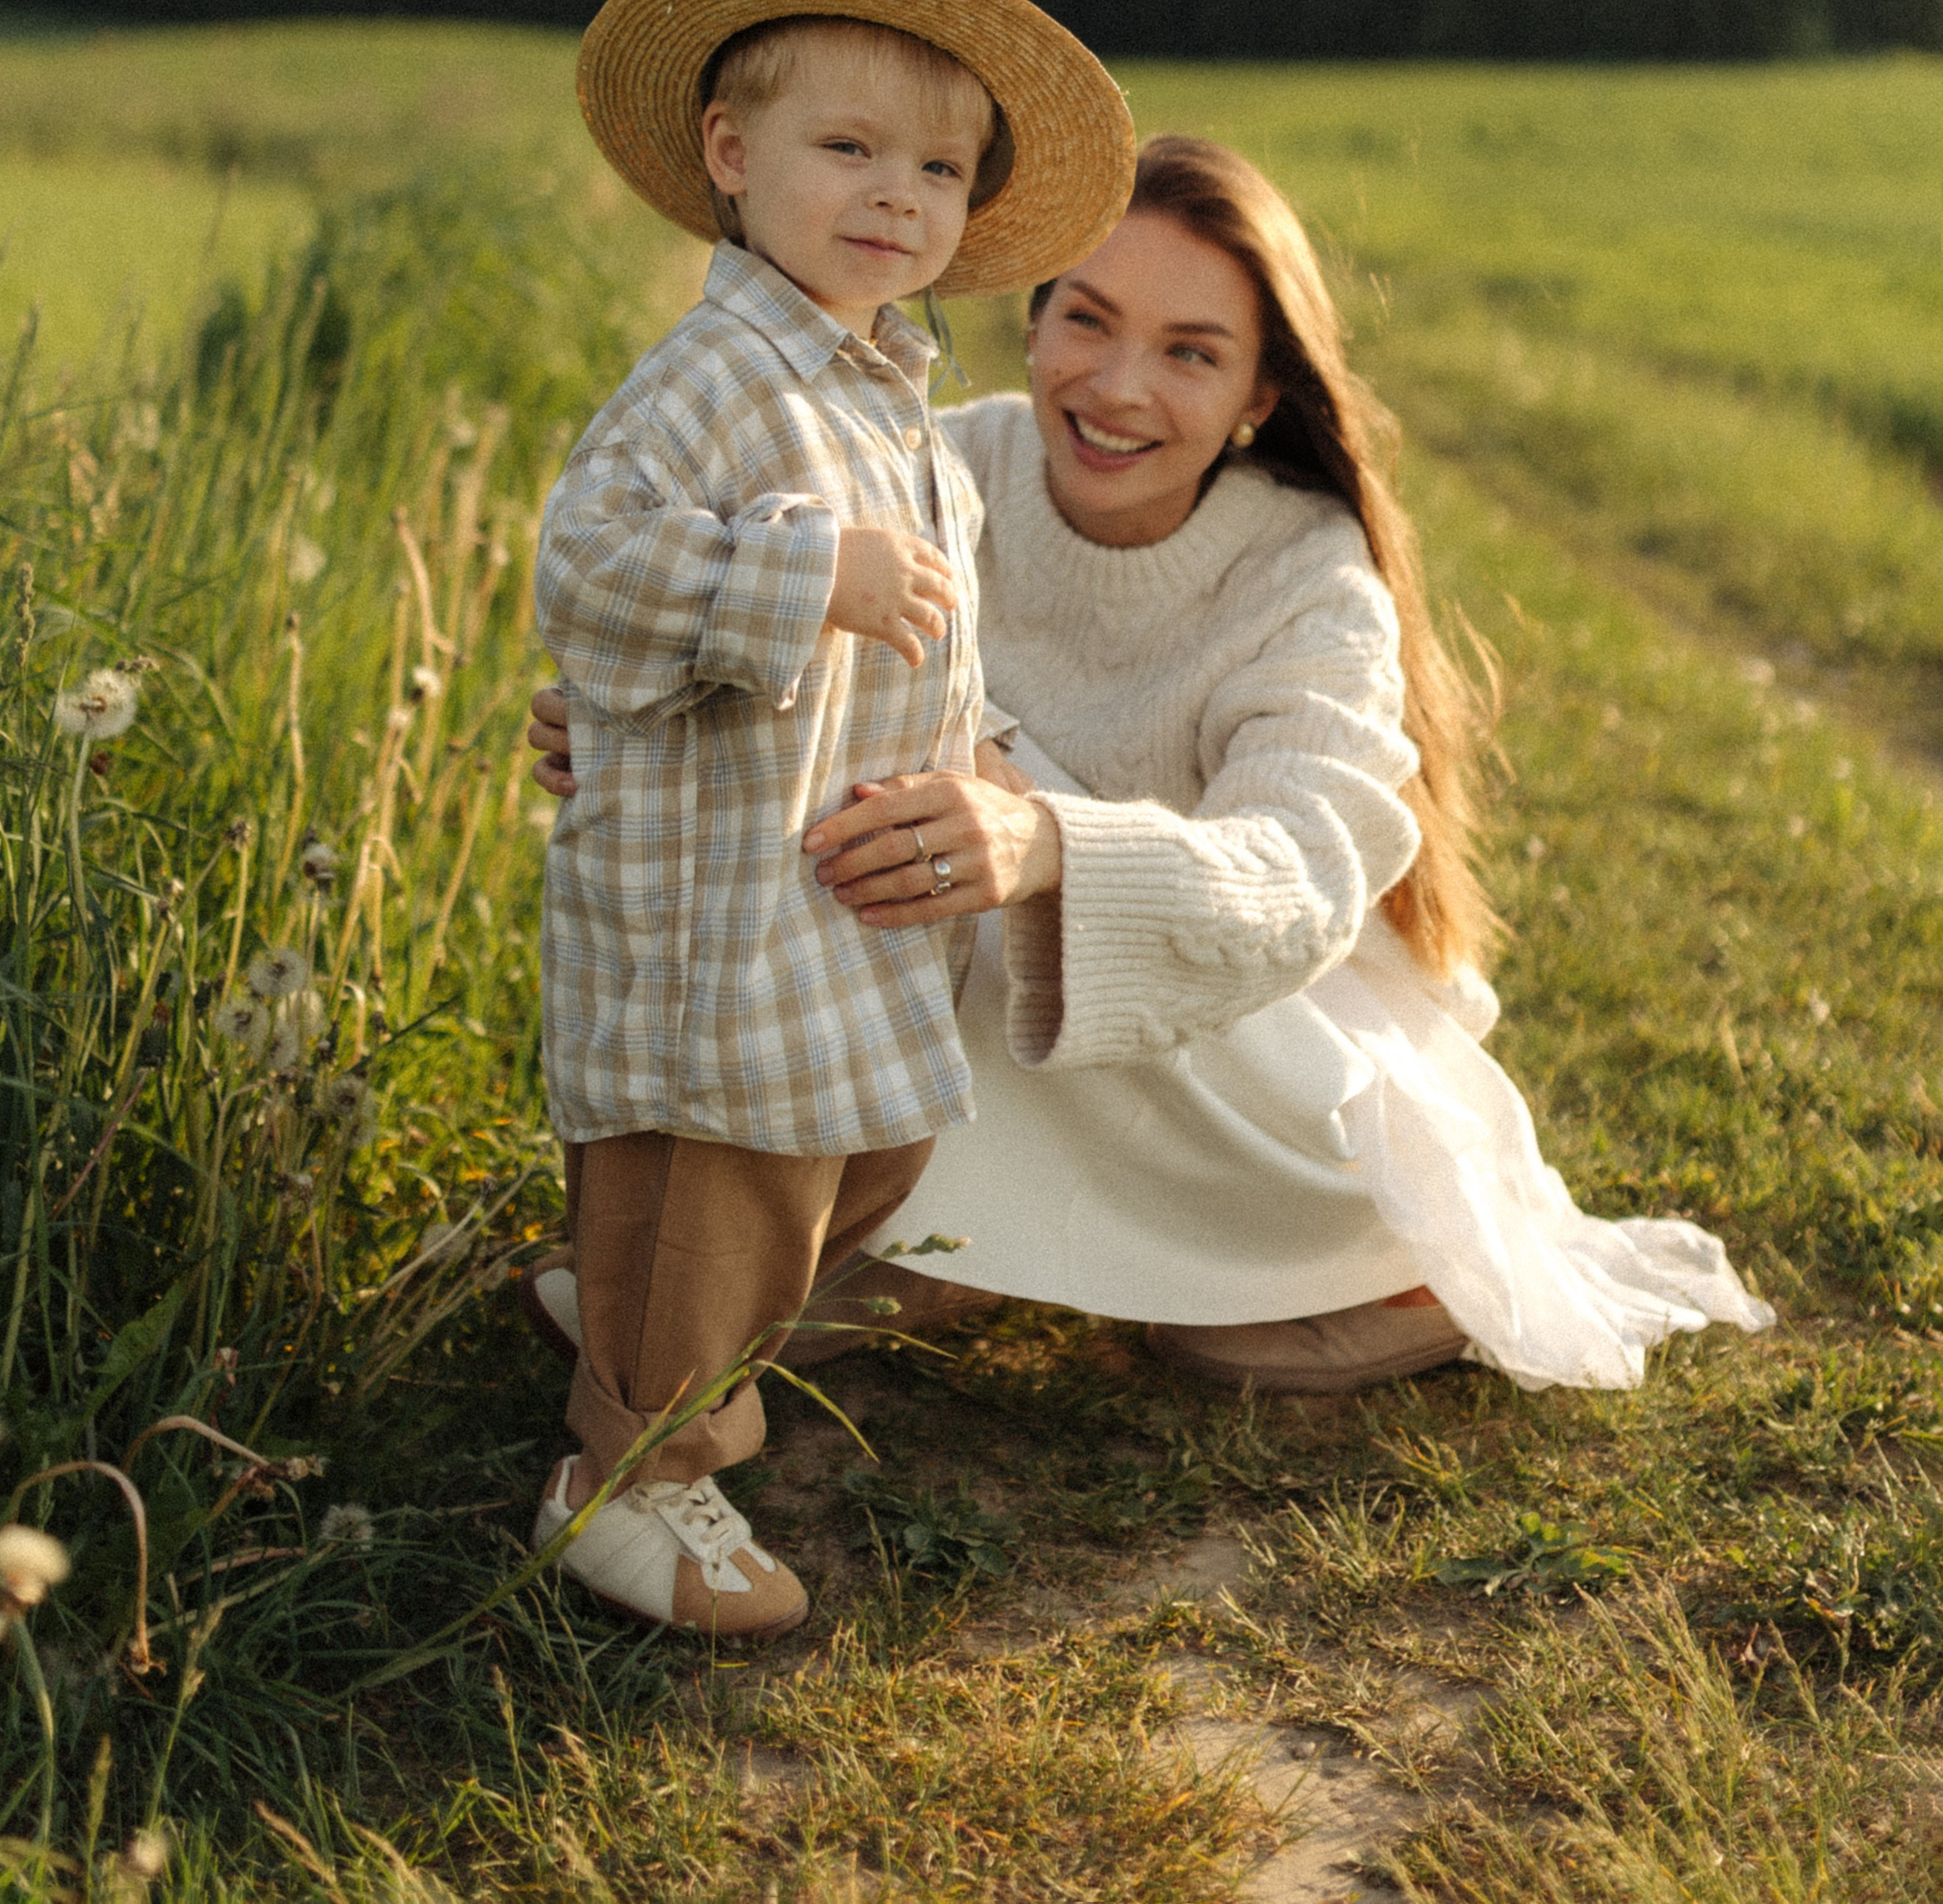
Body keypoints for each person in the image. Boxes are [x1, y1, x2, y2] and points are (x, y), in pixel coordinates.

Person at [531, 133, 1773, 1406]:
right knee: (908, 828)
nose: (1119, 387)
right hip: (1005, 996)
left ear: (1258, 399)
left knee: (994, 849)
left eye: (1191, 353)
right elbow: (744, 626)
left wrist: (1050, 848)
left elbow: (1301, 874)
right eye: (1090, 320)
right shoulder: (938, 468)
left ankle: (1374, 1269)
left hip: (1270, 1044)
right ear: (1034, 324)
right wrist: (665, 721)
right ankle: (865, 1245)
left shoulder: (1308, 577)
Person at [526, 0, 1133, 1640]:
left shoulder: (877, 380)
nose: (898, 197)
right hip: (723, 910)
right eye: (847, 146)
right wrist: (808, 581)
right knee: (731, 1175)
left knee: (844, 1173)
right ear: (729, 156)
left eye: (939, 168)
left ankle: (625, 1302)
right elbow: (591, 564)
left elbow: (923, 641)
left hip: (832, 899)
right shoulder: (715, 378)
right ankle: (626, 1474)